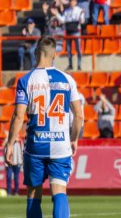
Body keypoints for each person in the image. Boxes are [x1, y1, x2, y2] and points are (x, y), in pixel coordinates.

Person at [3, 36, 83, 218]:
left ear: (37, 52)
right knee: (59, 190)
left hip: (36, 145)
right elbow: (78, 115)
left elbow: (18, 116)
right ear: (54, 54)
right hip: (61, 144)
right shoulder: (67, 79)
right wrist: (74, 138)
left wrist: (10, 143)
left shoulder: (26, 80)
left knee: (33, 193)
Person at [52, 0, 85, 71]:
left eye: (73, 1)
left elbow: (82, 21)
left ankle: (79, 65)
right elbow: (63, 20)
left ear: (75, 2)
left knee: (78, 49)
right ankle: (70, 65)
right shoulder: (66, 11)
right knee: (69, 49)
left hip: (76, 32)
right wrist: (57, 14)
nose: (71, 3)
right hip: (69, 32)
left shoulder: (79, 10)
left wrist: (81, 17)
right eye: (70, 1)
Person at [2, 131, 23, 196]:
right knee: (8, 177)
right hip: (9, 162)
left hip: (17, 162)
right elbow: (3, 145)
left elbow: (20, 142)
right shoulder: (8, 141)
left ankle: (16, 192)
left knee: (16, 178)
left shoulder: (19, 141)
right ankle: (9, 192)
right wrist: (8, 137)